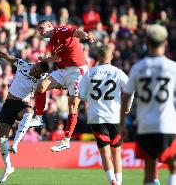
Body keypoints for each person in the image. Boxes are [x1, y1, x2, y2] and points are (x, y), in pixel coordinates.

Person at [0, 34, 49, 183]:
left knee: (28, 113)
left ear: (41, 73)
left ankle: (15, 143)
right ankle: (8, 167)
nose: (34, 70)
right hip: (8, 104)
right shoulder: (23, 64)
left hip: (22, 105)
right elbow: (4, 55)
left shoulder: (41, 80)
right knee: (1, 138)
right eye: (35, 66)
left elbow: (56, 84)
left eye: (37, 70)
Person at [120, 24, 176, 185]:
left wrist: (122, 123)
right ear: (165, 42)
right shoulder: (172, 67)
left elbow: (126, 96)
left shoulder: (138, 67)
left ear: (146, 41)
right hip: (167, 124)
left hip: (145, 126)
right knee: (173, 167)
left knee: (149, 172)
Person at [34, 19, 96, 152]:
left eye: (41, 27)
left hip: (77, 70)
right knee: (41, 86)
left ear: (50, 25)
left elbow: (75, 33)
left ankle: (66, 140)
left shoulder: (60, 30)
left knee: (73, 105)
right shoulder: (52, 42)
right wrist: (46, 60)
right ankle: (38, 118)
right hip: (63, 71)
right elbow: (58, 58)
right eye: (38, 29)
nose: (40, 31)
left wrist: (86, 35)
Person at [79, 45, 133, 185]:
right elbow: (130, 89)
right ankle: (118, 183)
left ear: (98, 57)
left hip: (96, 117)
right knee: (117, 153)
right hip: (115, 116)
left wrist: (90, 99)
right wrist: (126, 106)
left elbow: (81, 94)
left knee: (105, 153)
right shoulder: (117, 72)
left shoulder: (90, 72)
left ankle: (112, 181)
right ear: (111, 57)